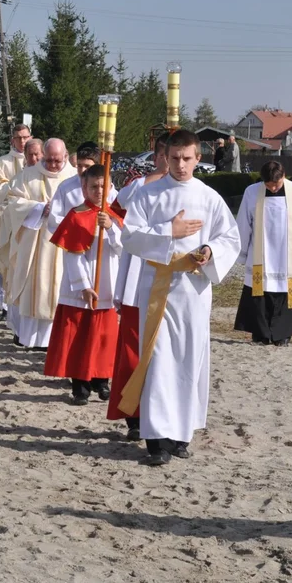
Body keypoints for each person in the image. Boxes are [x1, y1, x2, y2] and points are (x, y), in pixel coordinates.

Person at [119, 129, 240, 466]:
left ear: (198, 158)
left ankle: (181, 434)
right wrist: (167, 232)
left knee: (189, 357)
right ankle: (157, 440)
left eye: (187, 158)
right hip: (157, 285)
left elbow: (230, 237)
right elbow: (129, 237)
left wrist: (209, 249)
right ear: (164, 158)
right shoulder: (148, 195)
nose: (181, 165)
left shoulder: (208, 197)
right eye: (174, 158)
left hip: (193, 288)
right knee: (158, 359)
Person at [107, 133, 170, 441]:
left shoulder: (188, 191)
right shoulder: (138, 188)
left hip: (173, 279)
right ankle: (134, 413)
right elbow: (115, 212)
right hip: (138, 275)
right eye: (166, 155)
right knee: (134, 349)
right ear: (156, 156)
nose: (172, 162)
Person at [46, 165, 123, 405]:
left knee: (103, 337)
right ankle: (80, 386)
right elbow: (71, 254)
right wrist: (83, 286)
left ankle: (102, 380)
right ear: (84, 188)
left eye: (103, 186)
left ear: (109, 187)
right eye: (93, 187)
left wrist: (111, 229)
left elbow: (124, 248)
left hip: (107, 285)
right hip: (81, 288)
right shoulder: (76, 215)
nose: (99, 191)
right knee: (78, 336)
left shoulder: (115, 216)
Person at [234, 161, 292, 347]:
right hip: (261, 250)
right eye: (269, 184)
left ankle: (284, 333)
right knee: (258, 292)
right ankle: (260, 333)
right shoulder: (252, 192)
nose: (273, 188)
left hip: (288, 253)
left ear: (284, 176)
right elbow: (243, 222)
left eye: (277, 183)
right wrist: (241, 252)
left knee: (286, 292)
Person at [1, 139, 77, 349]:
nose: (53, 165)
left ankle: (57, 338)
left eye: (58, 160)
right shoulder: (27, 176)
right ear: (43, 155)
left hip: (64, 245)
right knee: (35, 287)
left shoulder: (74, 177)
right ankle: (31, 339)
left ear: (65, 156)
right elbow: (11, 203)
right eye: (49, 159)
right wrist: (39, 209)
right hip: (34, 244)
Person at [0, 139, 43, 338]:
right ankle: (20, 331)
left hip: (48, 242)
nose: (34, 158)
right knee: (19, 281)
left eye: (37, 154)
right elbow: (11, 204)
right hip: (23, 239)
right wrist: (38, 208)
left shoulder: (61, 177)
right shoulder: (18, 178)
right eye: (30, 155)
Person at [0, 124, 31, 313]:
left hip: (30, 221)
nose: (22, 141)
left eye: (25, 137)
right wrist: (15, 187)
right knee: (7, 261)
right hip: (9, 220)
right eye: (18, 138)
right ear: (12, 140)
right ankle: (5, 305)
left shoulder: (39, 160)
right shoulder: (4, 162)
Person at [46, 142, 120, 235]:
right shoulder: (65, 187)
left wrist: (109, 226)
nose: (82, 170)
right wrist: (77, 222)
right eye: (79, 165)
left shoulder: (108, 189)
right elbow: (54, 219)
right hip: (75, 242)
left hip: (102, 243)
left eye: (87, 166)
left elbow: (119, 223)